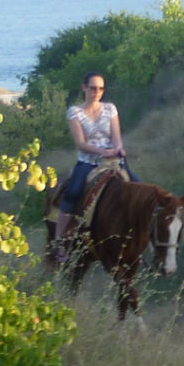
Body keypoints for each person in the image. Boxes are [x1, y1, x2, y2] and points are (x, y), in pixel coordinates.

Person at [52, 70, 128, 255]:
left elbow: (117, 136)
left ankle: (140, 240)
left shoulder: (110, 108)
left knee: (137, 187)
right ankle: (59, 241)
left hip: (113, 161)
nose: (97, 92)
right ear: (84, 88)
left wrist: (118, 149)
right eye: (93, 88)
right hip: (88, 161)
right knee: (73, 192)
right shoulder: (75, 112)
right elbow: (81, 143)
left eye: (100, 88)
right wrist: (103, 152)